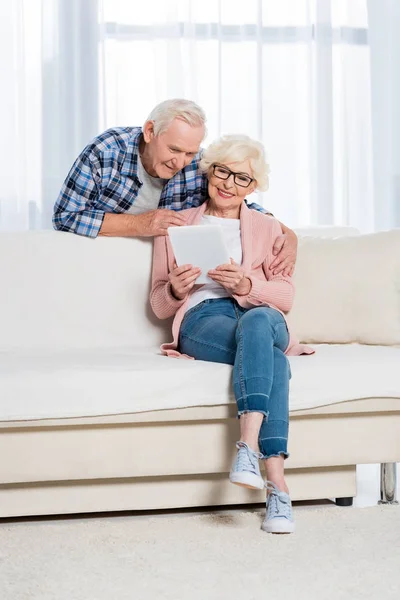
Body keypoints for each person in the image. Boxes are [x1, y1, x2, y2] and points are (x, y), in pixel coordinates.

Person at [150, 134, 314, 534]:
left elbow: (285, 296)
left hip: (256, 312)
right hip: (203, 318)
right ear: (209, 173)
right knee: (271, 358)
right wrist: (175, 288)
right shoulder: (175, 224)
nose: (228, 183)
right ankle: (277, 485)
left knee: (258, 320)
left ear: (253, 186)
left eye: (241, 178)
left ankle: (246, 448)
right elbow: (157, 304)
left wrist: (246, 288)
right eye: (221, 171)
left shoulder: (269, 227)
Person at [53, 99, 297, 276]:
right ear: (149, 132)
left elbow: (234, 201)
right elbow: (65, 216)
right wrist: (139, 224)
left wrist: (287, 234)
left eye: (189, 153)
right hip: (100, 267)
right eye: (174, 150)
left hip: (165, 271)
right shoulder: (106, 152)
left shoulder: (197, 165)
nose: (180, 162)